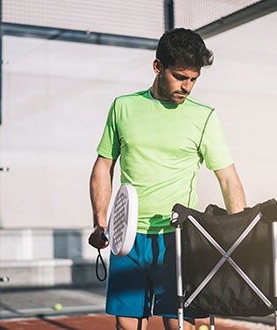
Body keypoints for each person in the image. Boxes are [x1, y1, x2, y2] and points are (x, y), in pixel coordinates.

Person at [88, 28, 246, 330]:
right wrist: (101, 221)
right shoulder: (123, 107)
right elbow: (103, 166)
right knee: (128, 325)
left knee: (179, 325)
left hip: (178, 238)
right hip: (127, 237)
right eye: (180, 76)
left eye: (194, 79)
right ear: (158, 67)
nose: (187, 86)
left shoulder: (204, 116)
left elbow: (228, 179)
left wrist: (236, 238)